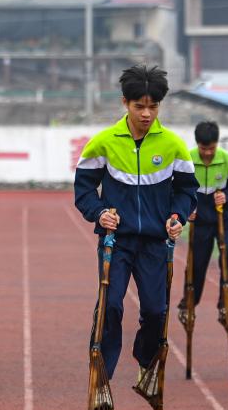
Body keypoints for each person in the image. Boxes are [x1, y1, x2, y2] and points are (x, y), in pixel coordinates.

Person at [74, 64, 198, 383]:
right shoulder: (103, 143)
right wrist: (100, 212)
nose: (146, 114)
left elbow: (186, 191)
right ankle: (101, 375)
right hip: (117, 242)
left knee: (157, 312)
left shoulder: (172, 146)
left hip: (155, 244)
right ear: (124, 103)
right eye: (139, 106)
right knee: (111, 306)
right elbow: (84, 190)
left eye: (153, 106)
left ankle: (146, 362)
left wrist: (176, 217)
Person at [177, 121, 228, 325]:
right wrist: (187, 208)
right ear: (197, 144)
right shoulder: (188, 160)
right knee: (196, 263)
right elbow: (179, 189)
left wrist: (227, 195)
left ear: (217, 144)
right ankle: (189, 302)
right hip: (200, 219)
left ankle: (226, 303)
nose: (207, 153)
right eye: (203, 148)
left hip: (224, 216)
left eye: (211, 148)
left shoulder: (227, 160)